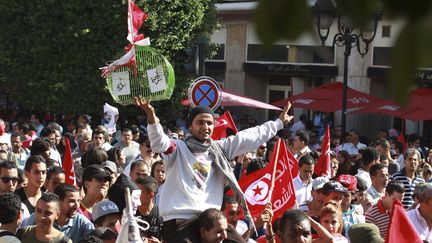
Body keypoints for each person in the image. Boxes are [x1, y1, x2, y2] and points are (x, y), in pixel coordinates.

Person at [134, 97, 294, 243]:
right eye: (200, 122)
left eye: (209, 123)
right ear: (190, 126)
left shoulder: (220, 149)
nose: (206, 127)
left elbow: (250, 137)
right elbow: (158, 142)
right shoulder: (177, 148)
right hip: (180, 220)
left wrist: (278, 123)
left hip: (211, 219)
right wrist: (151, 115)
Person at [24, 183, 95, 242]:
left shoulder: (82, 222)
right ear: (58, 202)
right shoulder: (37, 218)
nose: (77, 206)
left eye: (78, 201)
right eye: (72, 201)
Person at [135, 176, 163, 242]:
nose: (135, 194)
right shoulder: (129, 213)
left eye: (139, 192)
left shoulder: (161, 214)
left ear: (151, 195)